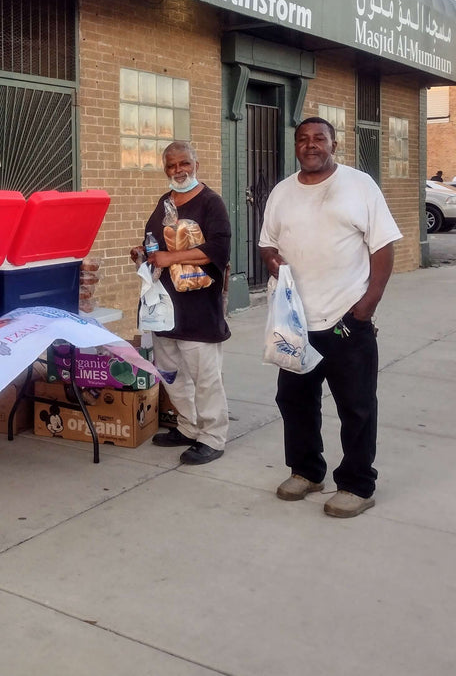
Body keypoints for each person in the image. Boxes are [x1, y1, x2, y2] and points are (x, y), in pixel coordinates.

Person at [259, 116, 401, 518]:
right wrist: (271, 258)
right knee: (294, 400)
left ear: (333, 145)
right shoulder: (282, 192)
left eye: (319, 138)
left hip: (346, 320)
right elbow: (267, 243)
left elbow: (383, 249)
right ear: (296, 146)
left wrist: (365, 309)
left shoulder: (359, 186)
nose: (310, 145)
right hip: (297, 323)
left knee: (356, 407)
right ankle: (306, 471)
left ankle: (357, 485)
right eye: (302, 139)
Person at [130, 141, 231, 465]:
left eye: (184, 163)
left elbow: (217, 250)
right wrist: (143, 253)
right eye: (171, 166)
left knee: (205, 376)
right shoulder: (165, 201)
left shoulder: (211, 202)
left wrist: (170, 256)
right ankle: (187, 427)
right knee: (171, 373)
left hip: (199, 307)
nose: (178, 171)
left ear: (196, 164)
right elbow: (155, 241)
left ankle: (212, 436)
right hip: (164, 306)